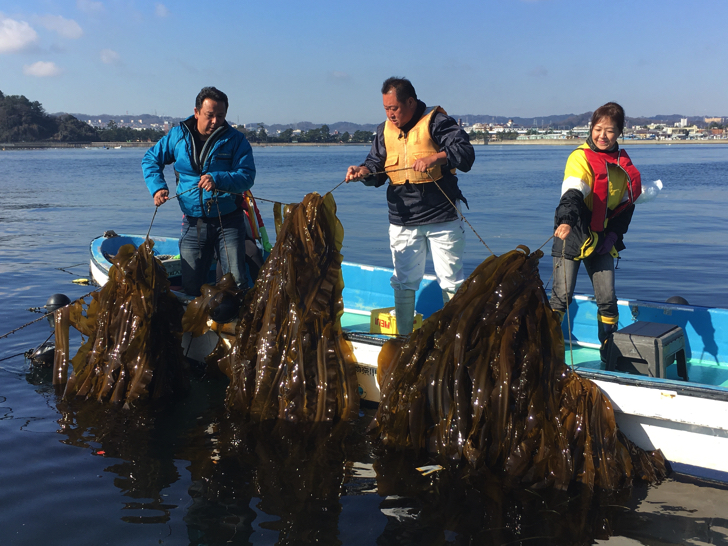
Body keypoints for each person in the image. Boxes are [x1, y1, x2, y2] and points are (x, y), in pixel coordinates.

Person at [344, 77, 475, 335]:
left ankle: (454, 339)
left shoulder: (436, 122)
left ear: (411, 102)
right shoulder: (384, 131)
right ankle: (404, 339)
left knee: (451, 280)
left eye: (394, 108)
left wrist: (436, 157)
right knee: (404, 282)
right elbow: (376, 168)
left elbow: (466, 153)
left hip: (442, 217)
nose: (390, 114)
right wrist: (362, 172)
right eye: (386, 109)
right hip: (403, 220)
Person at [550, 102, 642, 362]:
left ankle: (608, 351)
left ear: (619, 133)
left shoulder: (623, 164)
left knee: (607, 299)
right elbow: (572, 194)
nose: (602, 136)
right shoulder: (579, 157)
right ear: (591, 129)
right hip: (572, 233)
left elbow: (626, 207)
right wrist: (565, 221)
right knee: (561, 297)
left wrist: (614, 236)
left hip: (602, 239)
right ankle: (545, 346)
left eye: (610, 131)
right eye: (598, 129)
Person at [142, 86, 256, 296]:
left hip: (229, 221)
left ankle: (236, 321)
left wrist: (218, 178)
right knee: (192, 286)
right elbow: (151, 159)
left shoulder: (236, 140)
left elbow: (247, 176)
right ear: (196, 112)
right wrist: (157, 187)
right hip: (193, 222)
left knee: (236, 284)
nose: (215, 121)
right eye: (209, 115)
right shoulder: (178, 136)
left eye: (220, 116)